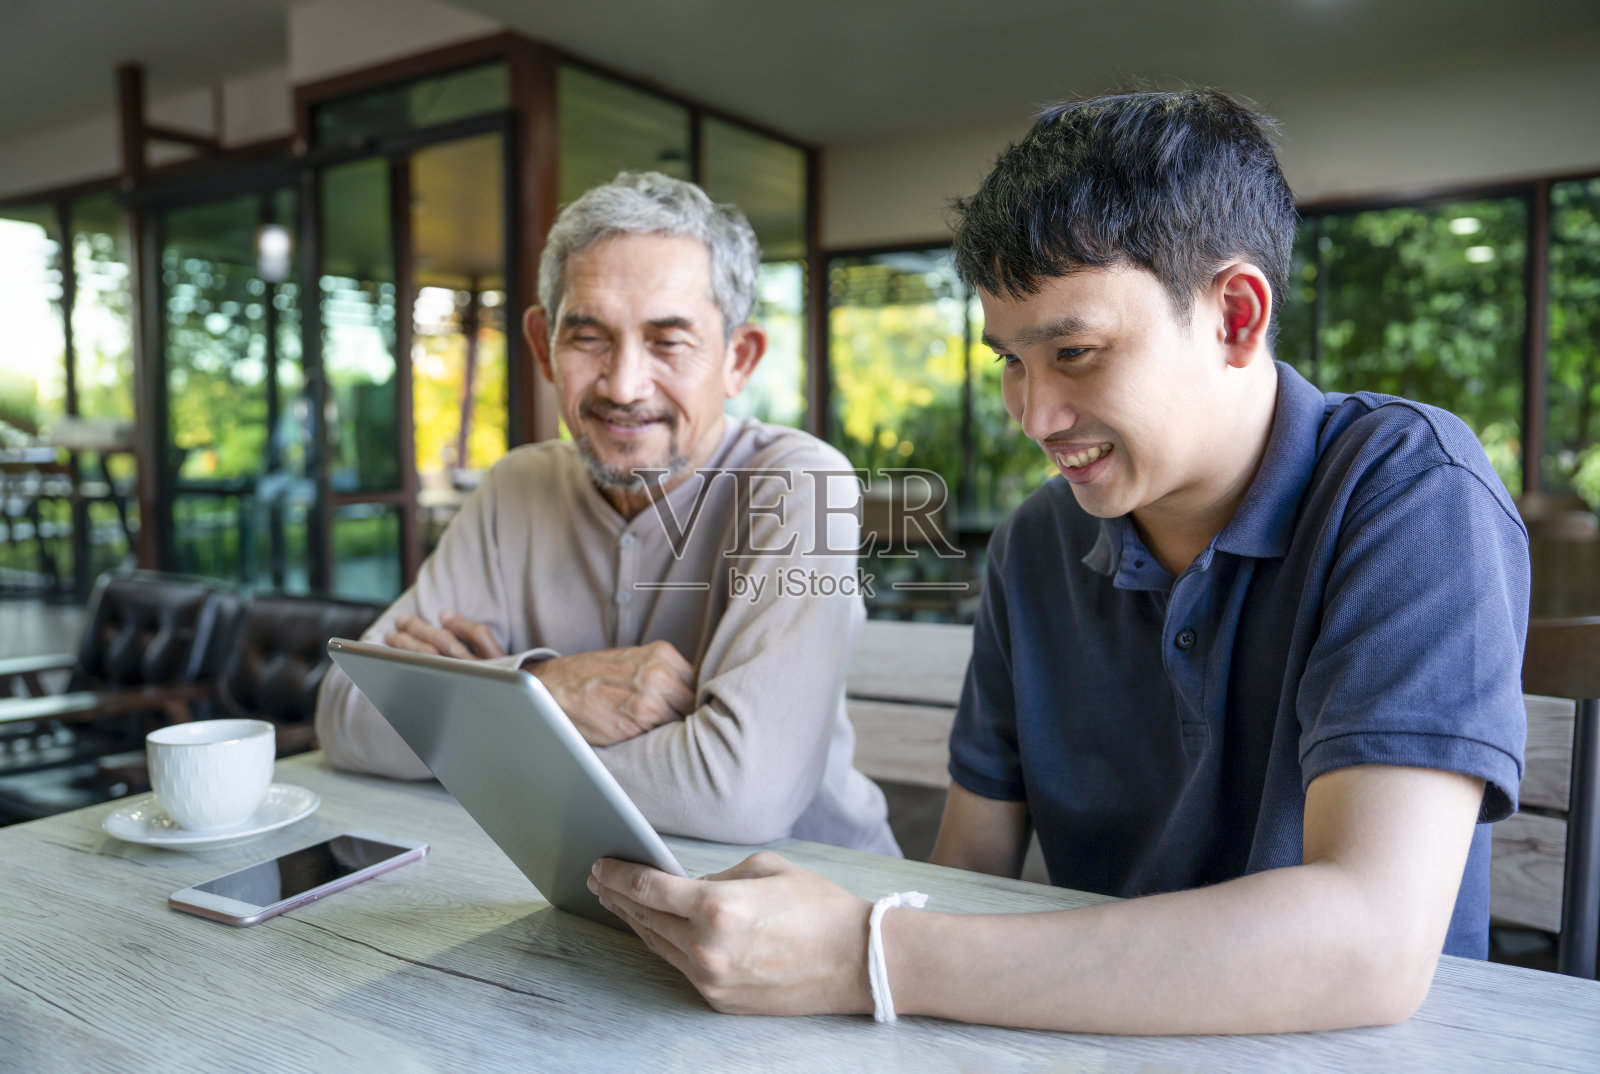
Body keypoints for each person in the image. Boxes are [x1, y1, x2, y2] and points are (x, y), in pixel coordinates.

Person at [588, 91, 1529, 1034]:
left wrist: (865, 952)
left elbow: (1367, 945)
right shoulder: (1041, 541)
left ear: (1237, 317)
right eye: (1009, 361)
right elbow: (968, 871)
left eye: (1074, 352)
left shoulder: (1411, 492)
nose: (1033, 417)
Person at [315, 171, 898, 856]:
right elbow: (347, 714)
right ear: (542, 346)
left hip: (812, 899)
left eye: (668, 341)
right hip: (571, 895)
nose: (623, 386)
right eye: (588, 338)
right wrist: (549, 690)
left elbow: (737, 793)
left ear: (738, 359)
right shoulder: (515, 488)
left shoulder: (796, 483)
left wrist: (469, 720)